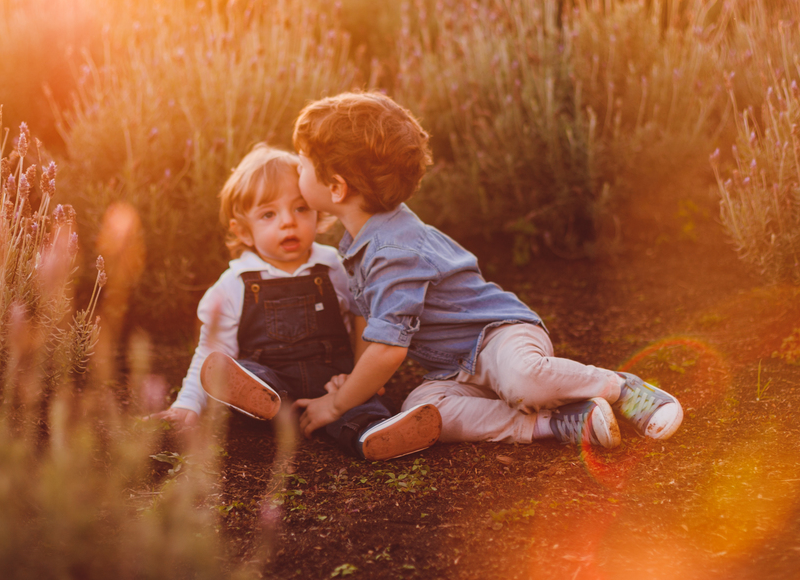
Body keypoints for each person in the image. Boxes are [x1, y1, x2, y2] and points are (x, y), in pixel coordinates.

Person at [291, 92, 684, 448]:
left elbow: (389, 349)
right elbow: (368, 318)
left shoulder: (394, 250)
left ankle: (619, 387)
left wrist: (338, 404)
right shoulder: (361, 240)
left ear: (338, 188)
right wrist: (361, 381)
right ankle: (557, 422)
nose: (297, 170)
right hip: (454, 369)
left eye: (303, 163)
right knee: (424, 411)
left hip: (498, 338)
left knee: (524, 380)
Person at [153, 143, 441, 461]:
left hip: (332, 383)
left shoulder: (335, 266)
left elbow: (364, 315)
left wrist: (359, 376)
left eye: (300, 208)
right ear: (243, 231)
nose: (288, 222)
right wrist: (187, 404)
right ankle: (257, 401)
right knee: (242, 372)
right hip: (274, 384)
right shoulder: (234, 283)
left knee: (359, 407)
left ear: (317, 214)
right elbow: (209, 351)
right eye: (268, 214)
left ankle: (376, 434)